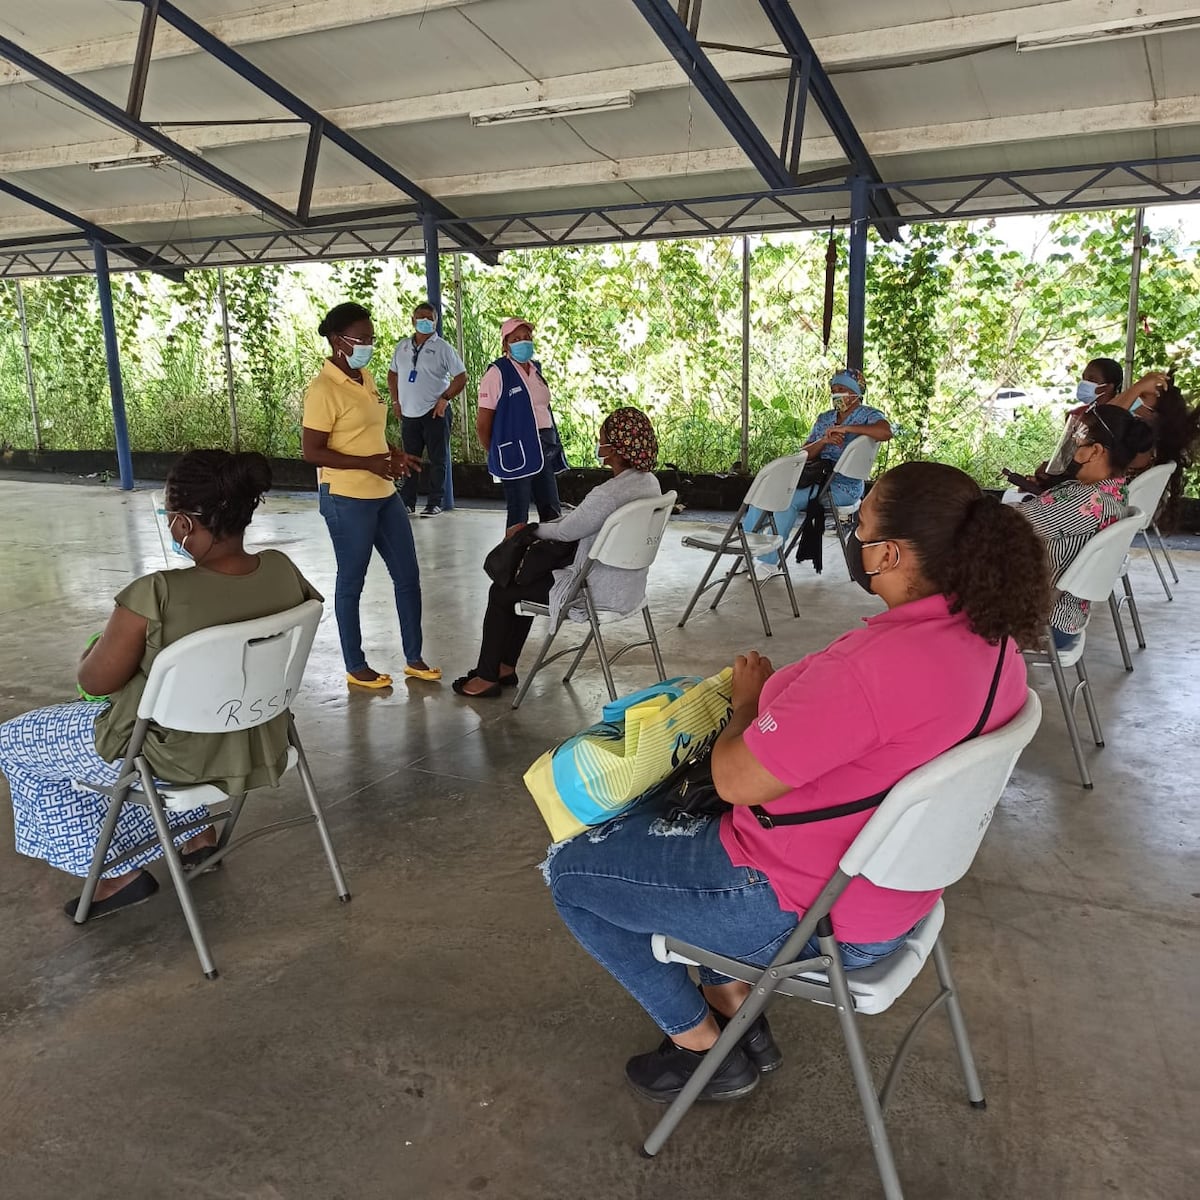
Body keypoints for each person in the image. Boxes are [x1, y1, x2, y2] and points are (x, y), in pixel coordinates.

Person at [543, 461, 1051, 1102]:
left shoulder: (874, 671)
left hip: (804, 911)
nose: (852, 536)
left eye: (859, 526)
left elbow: (733, 781)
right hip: (893, 903)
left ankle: (701, 1045)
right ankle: (734, 1009)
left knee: (572, 873)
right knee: (671, 838)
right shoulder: (994, 644)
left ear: (890, 552)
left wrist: (749, 705)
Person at [0, 451, 322, 920]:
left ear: (184, 523)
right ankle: (197, 835)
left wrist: (93, 651)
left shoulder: (156, 594)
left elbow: (93, 681)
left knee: (13, 741)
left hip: (171, 757)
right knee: (179, 712)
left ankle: (116, 875)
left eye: (171, 516)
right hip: (257, 736)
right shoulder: (281, 570)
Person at [453, 407, 661, 698]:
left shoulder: (609, 493)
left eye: (602, 439)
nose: (599, 443)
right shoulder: (650, 483)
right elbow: (581, 522)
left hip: (591, 591)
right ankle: (505, 667)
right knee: (525, 581)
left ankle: (488, 676)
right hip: (629, 588)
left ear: (614, 449)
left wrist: (529, 529)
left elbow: (566, 531)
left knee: (502, 590)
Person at [302, 301, 440, 690]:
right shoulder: (323, 389)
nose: (368, 345)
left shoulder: (365, 377)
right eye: (361, 339)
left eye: (371, 339)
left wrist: (394, 454)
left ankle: (414, 657)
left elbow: (368, 434)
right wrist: (369, 464)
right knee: (352, 581)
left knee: (408, 575)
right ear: (337, 341)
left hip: (382, 491)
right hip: (346, 497)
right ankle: (355, 664)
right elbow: (312, 451)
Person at [1018, 405, 1153, 653]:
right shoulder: (1114, 491)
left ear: (1095, 451)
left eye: (1077, 441)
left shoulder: (1086, 501)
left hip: (1042, 622)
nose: (1071, 448)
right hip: (1066, 617)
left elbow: (1004, 527)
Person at [742, 368, 891, 577]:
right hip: (815, 477)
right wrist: (823, 441)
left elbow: (885, 432)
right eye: (834, 389)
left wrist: (848, 430)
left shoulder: (868, 415)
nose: (837, 394)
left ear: (856, 393)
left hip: (842, 487)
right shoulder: (825, 418)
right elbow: (803, 453)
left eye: (843, 389)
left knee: (787, 500)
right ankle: (746, 551)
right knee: (766, 494)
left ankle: (769, 562)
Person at [476, 317, 568, 530]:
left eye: (527, 337)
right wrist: (497, 453)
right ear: (505, 344)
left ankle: (551, 557)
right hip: (515, 452)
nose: (523, 342)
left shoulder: (536, 370)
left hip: (543, 447)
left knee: (551, 509)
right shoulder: (497, 373)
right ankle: (510, 561)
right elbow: (483, 424)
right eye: (516, 338)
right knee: (518, 513)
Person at [386, 301, 467, 518]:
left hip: (434, 412)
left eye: (429, 318)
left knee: (438, 458)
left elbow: (461, 377)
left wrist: (445, 398)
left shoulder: (443, 348)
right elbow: (392, 374)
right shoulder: (402, 346)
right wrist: (395, 401)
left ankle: (435, 502)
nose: (424, 321)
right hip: (408, 413)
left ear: (435, 322)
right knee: (409, 458)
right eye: (420, 317)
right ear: (412, 320)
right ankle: (408, 502)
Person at [1002, 356, 1124, 493]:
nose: (1084, 384)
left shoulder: (1120, 421)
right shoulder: (1078, 414)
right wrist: (1050, 472)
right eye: (1083, 378)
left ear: (1109, 387)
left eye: (1092, 380)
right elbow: (1065, 456)